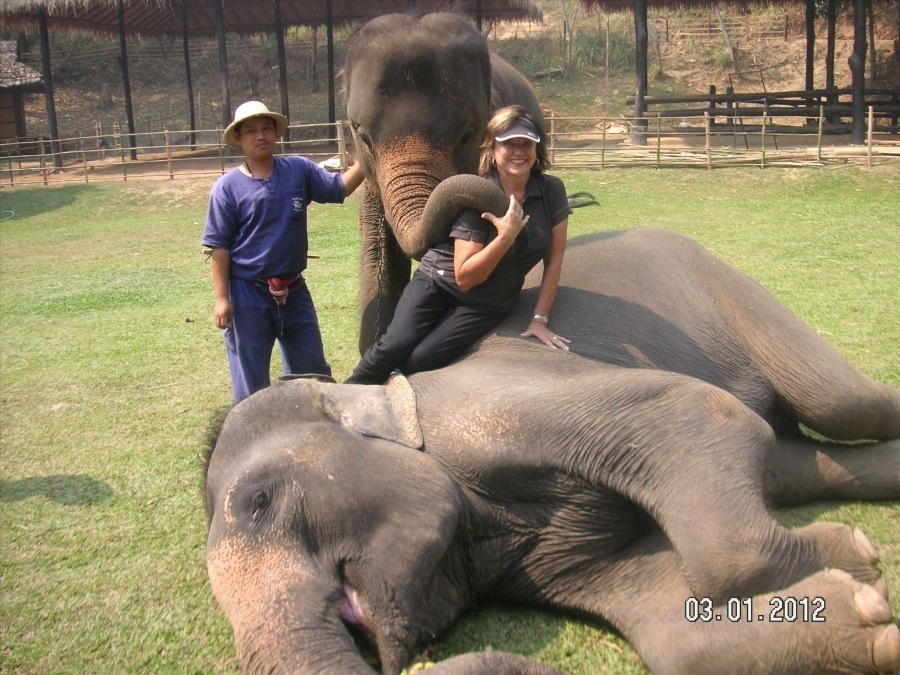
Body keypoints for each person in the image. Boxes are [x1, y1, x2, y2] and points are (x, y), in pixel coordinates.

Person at [346, 105, 571, 385]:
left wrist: (539, 319)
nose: (518, 152)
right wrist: (505, 237)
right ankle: (348, 395)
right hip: (439, 282)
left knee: (421, 360)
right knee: (393, 345)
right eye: (508, 144)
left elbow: (555, 259)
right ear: (492, 148)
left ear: (537, 148)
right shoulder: (478, 192)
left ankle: (389, 390)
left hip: (487, 304)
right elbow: (465, 277)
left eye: (526, 143)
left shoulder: (551, 191)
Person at [202, 100, 365, 404]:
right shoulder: (226, 188)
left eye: (267, 128)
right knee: (252, 386)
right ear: (238, 139)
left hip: (294, 291)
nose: (260, 135)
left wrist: (368, 160)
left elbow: (339, 188)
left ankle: (313, 439)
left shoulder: (298, 170)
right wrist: (222, 298)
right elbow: (219, 246)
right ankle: (253, 444)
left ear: (276, 133)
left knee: (313, 374)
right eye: (251, 131)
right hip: (247, 295)